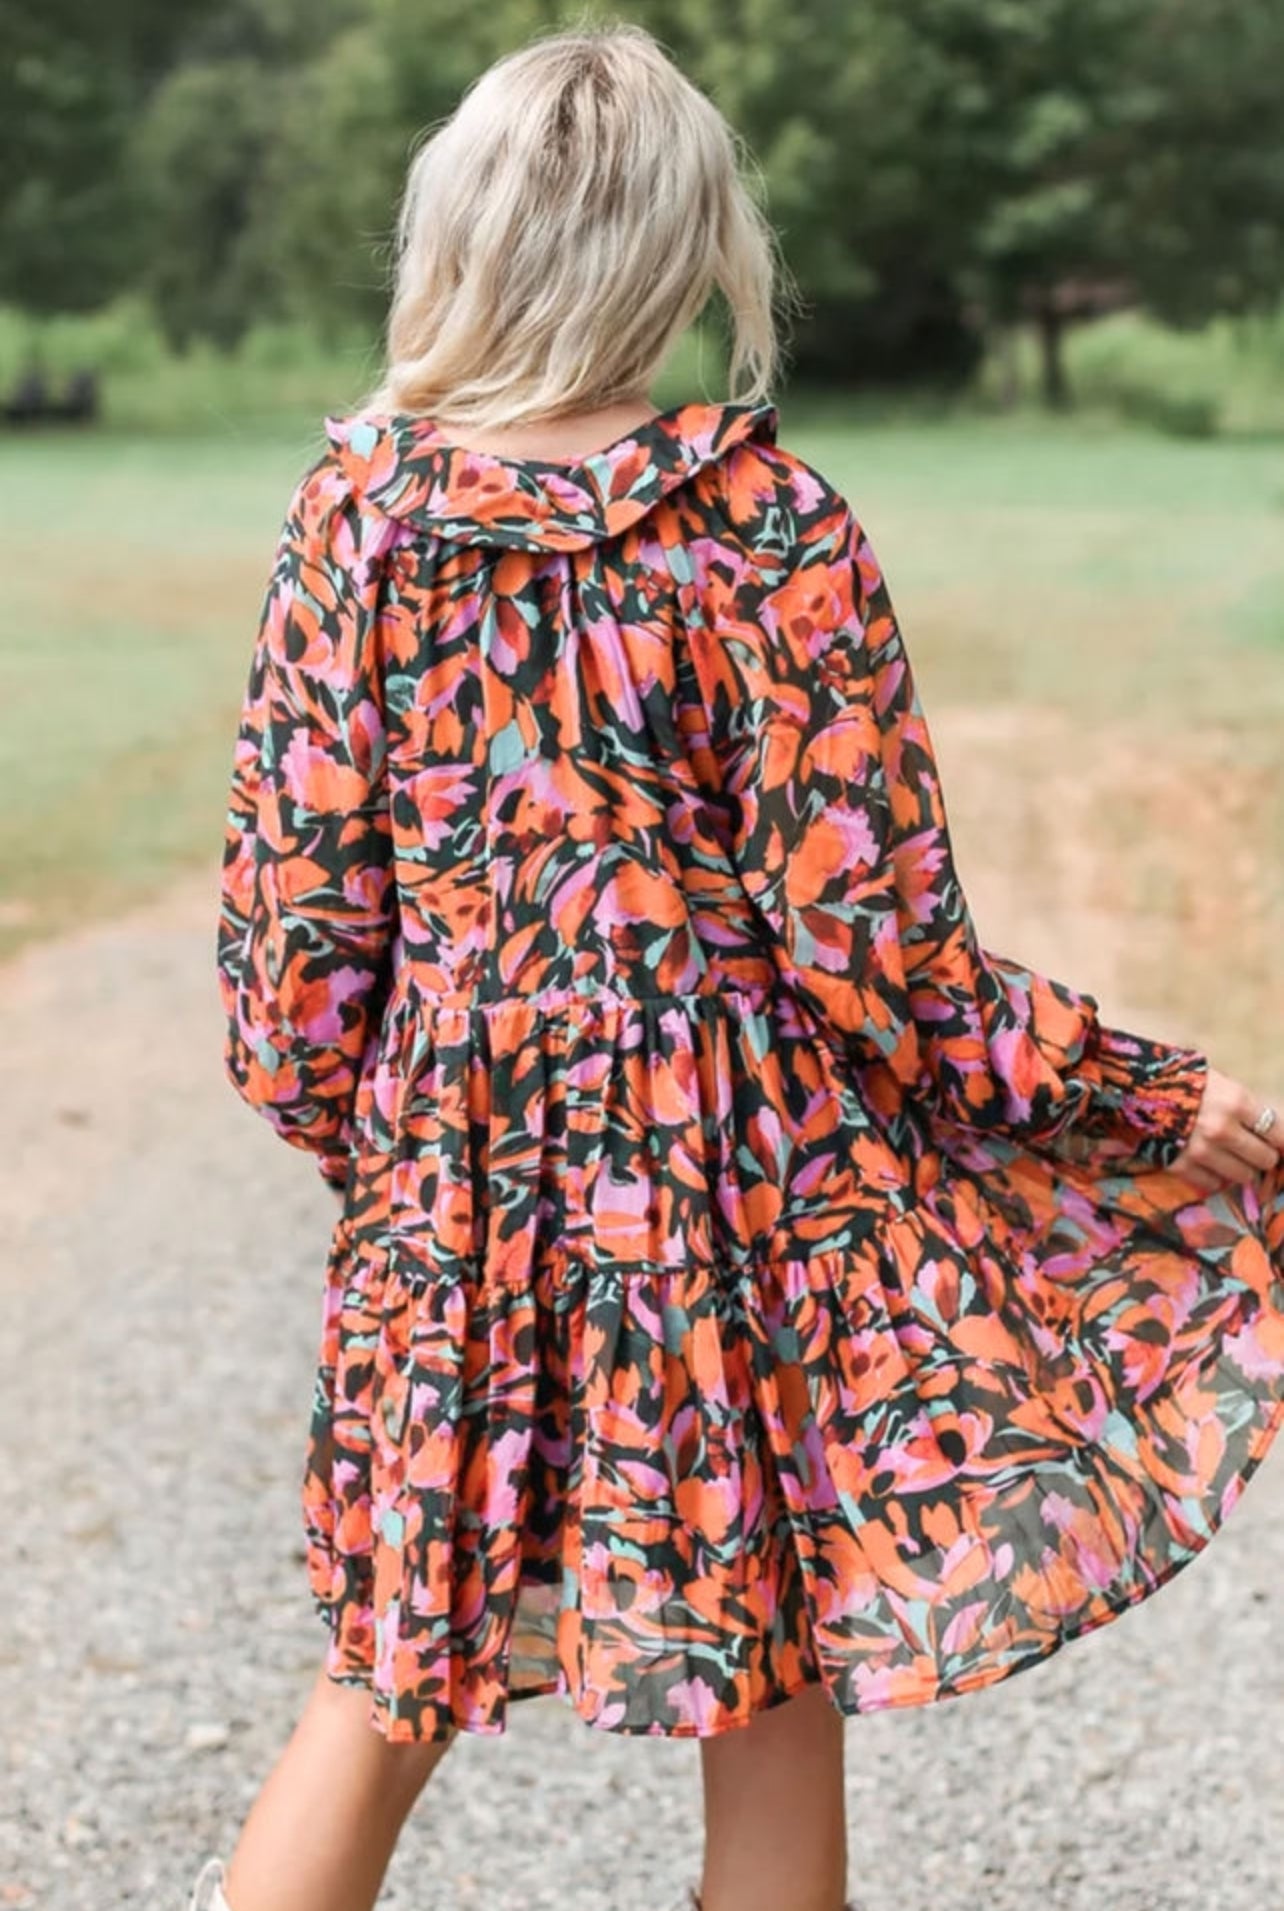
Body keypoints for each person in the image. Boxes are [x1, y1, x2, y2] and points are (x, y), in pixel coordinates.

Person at [204, 21, 1284, 1911]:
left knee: (387, 1679)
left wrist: (414, 1159)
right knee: (767, 1672)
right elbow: (880, 956)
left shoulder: (354, 519)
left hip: (455, 1176)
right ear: (691, 248)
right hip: (732, 1182)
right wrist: (1138, 1098)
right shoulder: (773, 530)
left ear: (456, 232)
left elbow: (294, 959)